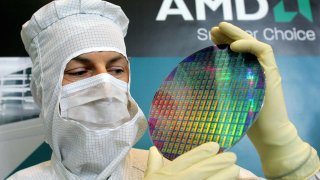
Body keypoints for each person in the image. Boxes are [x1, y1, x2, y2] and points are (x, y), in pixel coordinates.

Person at [8, 0, 319, 179]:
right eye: (79, 71)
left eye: (117, 70)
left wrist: (287, 156)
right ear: (44, 90)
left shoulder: (192, 172)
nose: (104, 83)